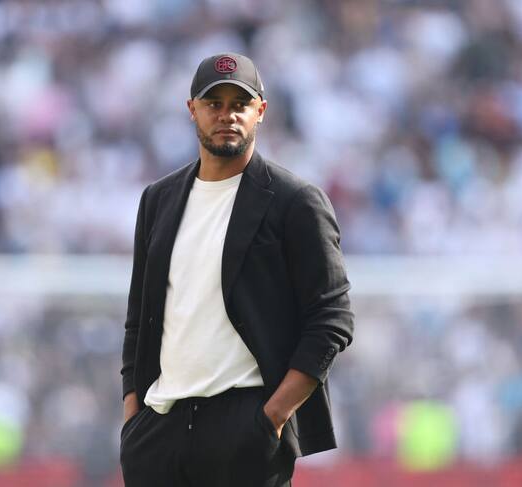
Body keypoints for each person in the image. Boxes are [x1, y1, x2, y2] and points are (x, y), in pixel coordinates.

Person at [120, 52, 354, 487]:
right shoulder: (158, 199)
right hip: (160, 430)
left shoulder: (295, 201)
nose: (226, 115)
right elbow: (140, 318)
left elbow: (332, 320)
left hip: (245, 426)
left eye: (239, 104)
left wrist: (273, 417)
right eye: (214, 104)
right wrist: (134, 416)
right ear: (192, 109)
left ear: (260, 111)